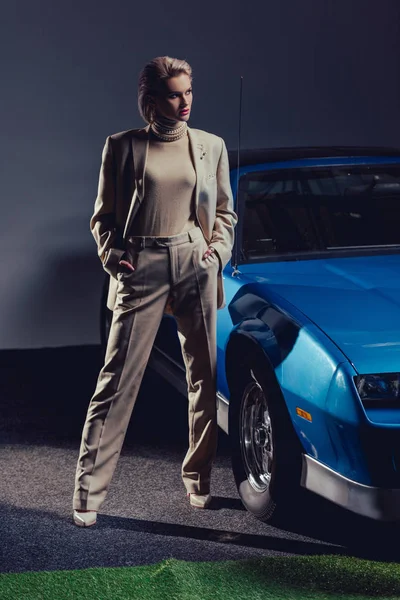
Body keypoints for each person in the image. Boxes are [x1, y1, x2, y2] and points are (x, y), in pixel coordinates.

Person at [72, 55, 237, 527]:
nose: (183, 102)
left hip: (195, 262)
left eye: (188, 92)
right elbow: (102, 219)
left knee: (205, 378)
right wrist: (113, 256)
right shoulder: (122, 146)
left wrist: (217, 252)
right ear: (151, 99)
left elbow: (224, 212)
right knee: (117, 381)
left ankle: (199, 478)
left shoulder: (211, 146)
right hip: (140, 264)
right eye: (172, 93)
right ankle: (88, 492)